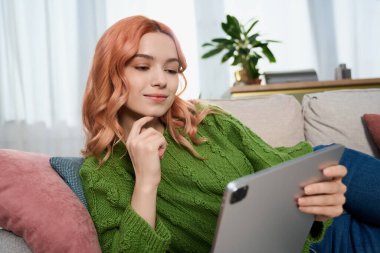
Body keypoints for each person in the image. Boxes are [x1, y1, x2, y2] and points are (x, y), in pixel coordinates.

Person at [79, 15, 379, 253]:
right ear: (110, 72)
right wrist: (146, 181)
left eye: (171, 70)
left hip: (326, 216)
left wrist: (319, 204)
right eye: (143, 66)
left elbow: (275, 165)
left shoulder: (209, 122)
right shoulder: (100, 172)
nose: (161, 81)